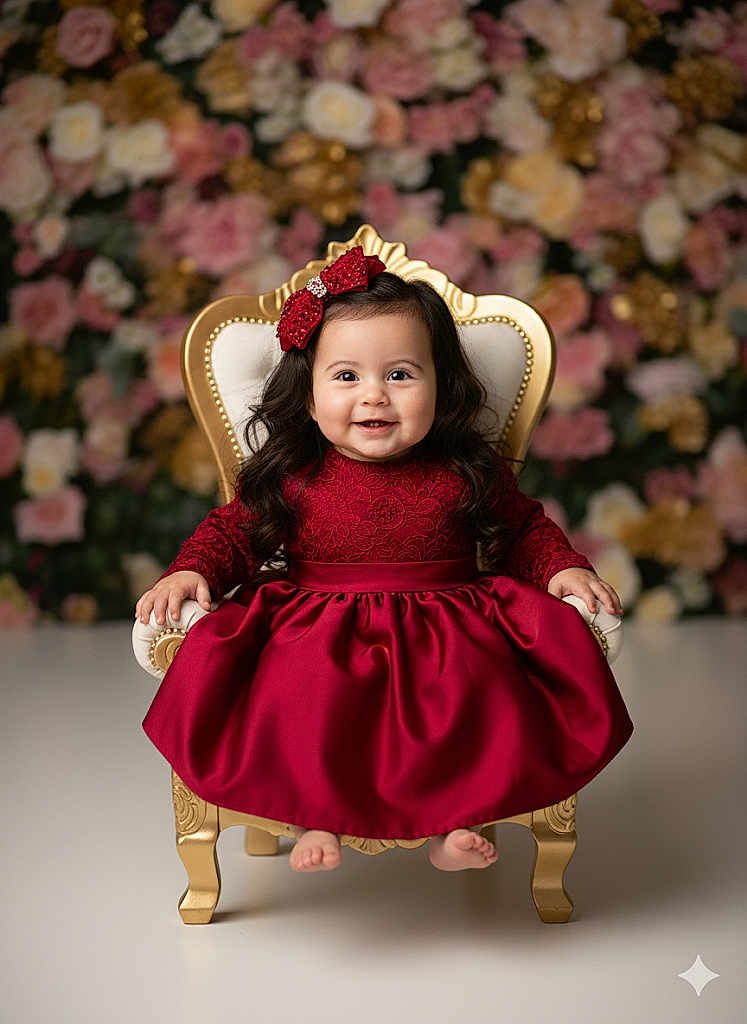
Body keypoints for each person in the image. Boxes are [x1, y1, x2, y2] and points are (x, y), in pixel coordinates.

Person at [137, 245, 632, 875]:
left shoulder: (460, 471)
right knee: (304, 691)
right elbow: (234, 532)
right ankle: (315, 815)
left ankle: (453, 824)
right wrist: (193, 569)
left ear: (440, 388)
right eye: (346, 377)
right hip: (317, 620)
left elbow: (523, 528)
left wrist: (560, 566)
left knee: (468, 691)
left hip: (447, 617)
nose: (374, 396)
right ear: (310, 398)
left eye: (400, 375)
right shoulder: (296, 476)